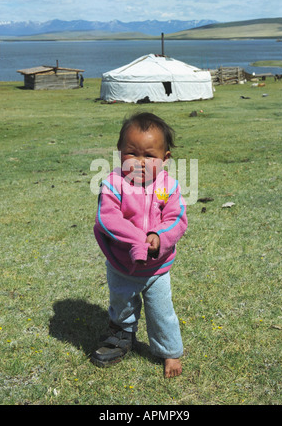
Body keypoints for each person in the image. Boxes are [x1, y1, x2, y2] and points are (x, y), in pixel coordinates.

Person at [92, 112, 188, 378]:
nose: (140, 162)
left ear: (165, 159)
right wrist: (137, 241)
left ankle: (169, 351)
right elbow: (107, 218)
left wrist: (159, 236)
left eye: (149, 155)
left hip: (157, 268)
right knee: (122, 304)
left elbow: (176, 219)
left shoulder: (169, 186)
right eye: (131, 153)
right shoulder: (113, 183)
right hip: (122, 264)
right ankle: (122, 338)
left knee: (161, 312)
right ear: (120, 153)